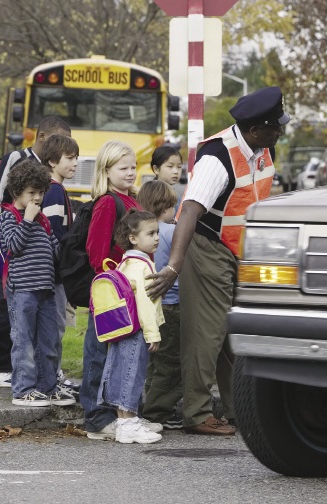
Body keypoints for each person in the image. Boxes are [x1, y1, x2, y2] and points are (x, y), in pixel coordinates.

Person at [146, 86, 290, 435]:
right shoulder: (217, 157)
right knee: (206, 332)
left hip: (241, 251)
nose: (281, 131)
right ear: (256, 130)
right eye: (276, 127)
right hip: (207, 246)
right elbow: (188, 213)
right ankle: (196, 414)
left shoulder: (261, 148)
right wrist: (174, 266)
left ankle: (239, 407)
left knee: (238, 332)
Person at [0, 116, 71, 388]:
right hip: (7, 243)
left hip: (31, 252)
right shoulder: (18, 158)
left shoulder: (46, 173)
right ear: (42, 138)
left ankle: (21, 368)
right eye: (57, 139)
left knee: (25, 317)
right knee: (1, 301)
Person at [79, 140, 150, 440]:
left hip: (131, 294)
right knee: (98, 353)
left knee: (119, 356)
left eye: (133, 167)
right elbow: (96, 252)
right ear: (106, 171)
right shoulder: (108, 202)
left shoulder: (132, 200)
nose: (131, 173)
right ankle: (96, 419)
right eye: (123, 168)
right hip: (112, 295)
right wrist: (121, 279)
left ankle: (123, 415)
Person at [0, 159, 75, 407]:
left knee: (49, 341)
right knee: (24, 342)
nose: (37, 198)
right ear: (16, 192)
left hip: (46, 290)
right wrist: (27, 220)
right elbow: (13, 246)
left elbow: (54, 250)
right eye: (31, 193)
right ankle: (23, 390)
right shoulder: (9, 217)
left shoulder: (42, 220)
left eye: (41, 192)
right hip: (22, 291)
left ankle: (47, 386)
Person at [97, 209, 164, 444]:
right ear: (133, 238)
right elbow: (145, 304)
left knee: (120, 372)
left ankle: (126, 421)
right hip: (136, 330)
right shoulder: (142, 266)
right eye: (151, 233)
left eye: (157, 232)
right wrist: (152, 333)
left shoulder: (125, 262)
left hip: (121, 328)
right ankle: (128, 426)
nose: (156, 237)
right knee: (131, 376)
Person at [137, 180, 183, 429]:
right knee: (172, 362)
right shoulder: (170, 231)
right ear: (164, 206)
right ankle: (158, 411)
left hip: (151, 305)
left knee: (154, 361)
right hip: (172, 304)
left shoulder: (145, 233)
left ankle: (148, 404)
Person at [40, 134, 80, 396]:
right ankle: (50, 380)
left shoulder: (54, 188)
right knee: (53, 327)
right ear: (53, 161)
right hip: (53, 275)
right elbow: (54, 234)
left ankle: (51, 377)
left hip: (51, 274)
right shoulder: (54, 190)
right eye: (70, 158)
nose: (75, 163)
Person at [150, 146, 183, 214]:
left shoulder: (178, 197)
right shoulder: (149, 195)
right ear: (156, 169)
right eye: (170, 166)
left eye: (179, 167)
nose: (176, 171)